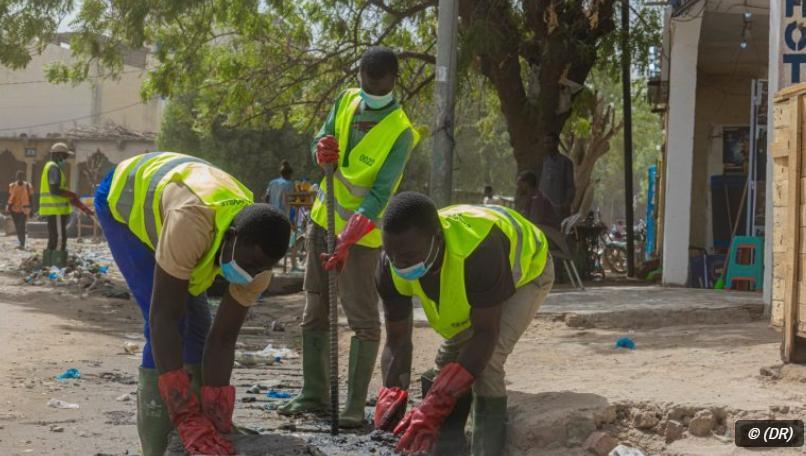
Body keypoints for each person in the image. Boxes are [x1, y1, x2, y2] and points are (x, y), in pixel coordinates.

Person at [94, 152, 291, 456]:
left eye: (259, 269)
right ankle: (161, 441)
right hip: (125, 198)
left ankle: (203, 422)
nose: (249, 275)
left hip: (184, 203)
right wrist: (186, 417)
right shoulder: (191, 222)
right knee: (169, 322)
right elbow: (163, 318)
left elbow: (224, 337)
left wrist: (218, 410)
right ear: (232, 237)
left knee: (199, 326)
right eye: (249, 264)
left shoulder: (258, 267)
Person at [278, 46, 420, 428]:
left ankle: (354, 406)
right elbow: (322, 138)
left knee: (362, 318)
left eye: (380, 87)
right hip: (322, 222)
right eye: (367, 85)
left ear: (394, 82)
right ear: (360, 77)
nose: (372, 92)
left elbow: (380, 193)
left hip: (362, 237)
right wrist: (320, 149)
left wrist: (349, 237)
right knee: (315, 308)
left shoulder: (401, 132)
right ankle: (313, 392)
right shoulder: (345, 100)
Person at [373, 192, 554, 455]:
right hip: (481, 280)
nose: (400, 264)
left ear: (437, 238)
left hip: (528, 270)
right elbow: (397, 341)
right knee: (447, 368)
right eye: (392, 255)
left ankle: (486, 451)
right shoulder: (389, 266)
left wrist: (434, 406)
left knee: (487, 364)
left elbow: (485, 333)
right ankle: (447, 448)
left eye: (409, 256)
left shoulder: (479, 251)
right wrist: (392, 395)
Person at [39, 142, 94, 267]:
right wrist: (71, 194)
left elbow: (62, 192)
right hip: (56, 210)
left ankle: (48, 265)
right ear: (58, 155)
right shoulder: (53, 168)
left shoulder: (50, 167)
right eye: (65, 156)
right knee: (60, 239)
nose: (66, 159)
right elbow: (54, 189)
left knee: (53, 238)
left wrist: (81, 205)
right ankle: (57, 265)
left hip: (54, 210)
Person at [538, 133, 575, 223]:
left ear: (557, 143)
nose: (547, 145)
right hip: (543, 209)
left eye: (549, 142)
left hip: (559, 209)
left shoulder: (566, 162)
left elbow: (570, 187)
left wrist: (566, 205)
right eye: (545, 143)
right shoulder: (544, 162)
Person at [6, 170, 33, 250]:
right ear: (16, 177)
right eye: (18, 177)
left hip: (24, 209)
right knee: (18, 227)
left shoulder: (28, 186)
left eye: (21, 176)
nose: (20, 178)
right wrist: (8, 207)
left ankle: (22, 243)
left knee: (21, 225)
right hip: (14, 209)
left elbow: (31, 198)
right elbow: (10, 197)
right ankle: (20, 242)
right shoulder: (12, 186)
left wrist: (31, 209)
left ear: (23, 177)